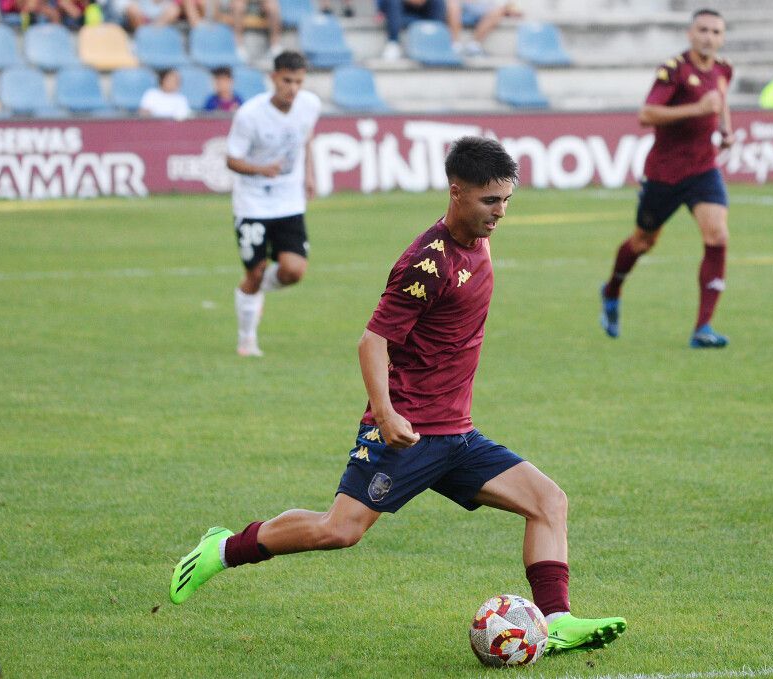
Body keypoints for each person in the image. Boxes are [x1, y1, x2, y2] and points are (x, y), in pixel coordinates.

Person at [168, 136, 628, 656]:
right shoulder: (426, 263)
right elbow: (373, 340)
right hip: (406, 432)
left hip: (456, 434)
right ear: (456, 192)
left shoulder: (479, 238)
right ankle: (223, 549)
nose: (499, 213)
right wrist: (385, 414)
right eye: (489, 201)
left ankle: (557, 619)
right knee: (338, 530)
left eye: (506, 201)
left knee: (548, 501)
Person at [599, 8, 734, 348]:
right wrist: (697, 110)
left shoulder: (723, 69)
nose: (709, 37)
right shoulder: (674, 71)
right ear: (690, 34)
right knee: (643, 241)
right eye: (702, 30)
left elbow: (720, 99)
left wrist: (725, 128)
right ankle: (612, 289)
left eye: (716, 32)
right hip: (665, 173)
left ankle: (703, 327)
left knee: (717, 235)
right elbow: (647, 114)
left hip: (703, 168)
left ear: (722, 37)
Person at [225, 51, 320, 357]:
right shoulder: (250, 115)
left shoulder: (309, 105)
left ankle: (251, 293)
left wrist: (309, 175)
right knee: (255, 272)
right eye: (287, 80)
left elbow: (306, 140)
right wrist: (260, 170)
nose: (293, 88)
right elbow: (232, 159)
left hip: (289, 201)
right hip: (253, 203)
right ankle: (246, 339)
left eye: (299, 82)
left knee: (294, 271)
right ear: (273, 78)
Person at [445, 0, 521, 57]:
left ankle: (474, 46)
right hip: (459, 5)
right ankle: (455, 46)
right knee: (452, 3)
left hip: (480, 7)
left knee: (499, 10)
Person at [377, 0, 445, 61]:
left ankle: (435, 40)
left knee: (438, 2)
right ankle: (393, 43)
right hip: (398, 9)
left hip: (419, 10)